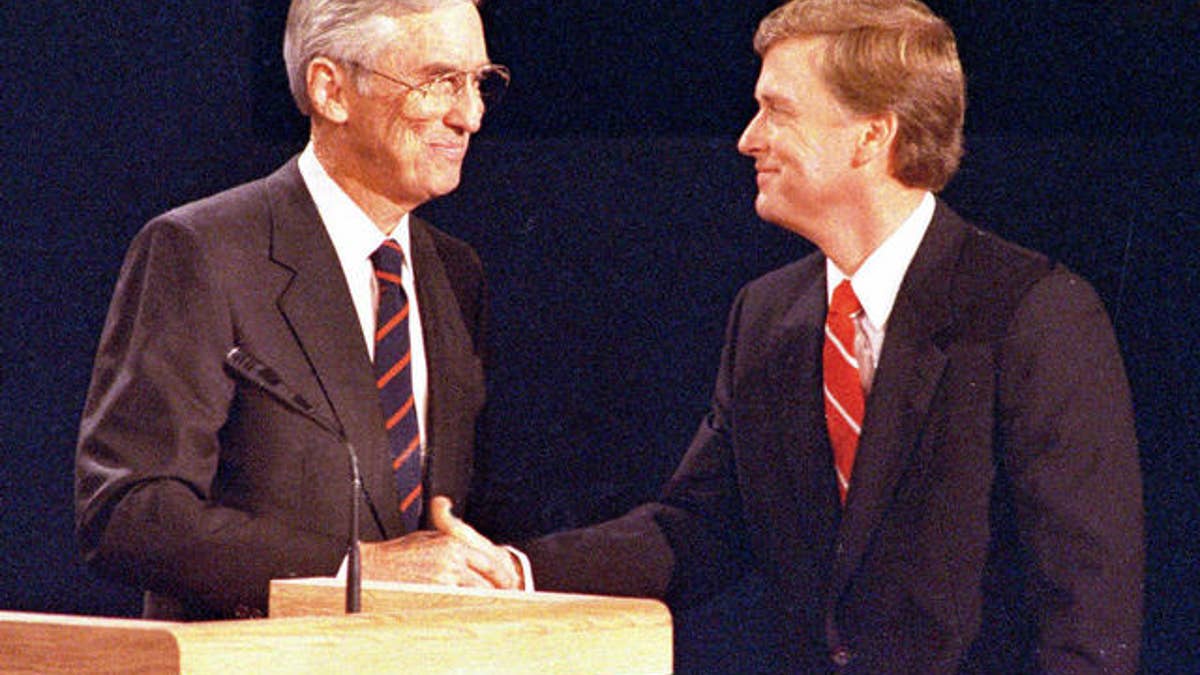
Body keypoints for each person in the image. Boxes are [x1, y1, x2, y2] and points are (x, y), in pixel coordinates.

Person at [516, 1, 1145, 671]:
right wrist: (514, 569)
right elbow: (695, 529)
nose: (748, 138)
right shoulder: (765, 316)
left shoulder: (1031, 312)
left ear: (870, 136)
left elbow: (1088, 614)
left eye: (777, 110)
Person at [74, 0, 519, 621]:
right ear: (330, 90)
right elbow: (127, 511)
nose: (468, 114)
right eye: (438, 80)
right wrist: (352, 569)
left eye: (477, 82)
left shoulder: (455, 272)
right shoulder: (205, 250)